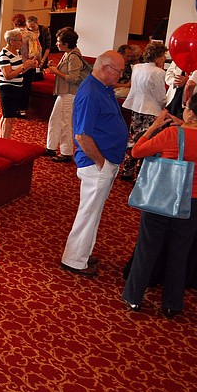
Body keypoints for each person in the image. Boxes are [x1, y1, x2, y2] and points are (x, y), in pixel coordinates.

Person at [122, 94, 197, 318]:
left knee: (148, 248)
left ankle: (134, 297)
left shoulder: (171, 134)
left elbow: (137, 151)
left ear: (191, 114)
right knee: (179, 252)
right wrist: (184, 124)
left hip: (163, 196)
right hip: (194, 200)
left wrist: (154, 126)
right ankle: (172, 304)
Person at [60, 50, 128, 277]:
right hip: (95, 164)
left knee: (93, 213)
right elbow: (81, 135)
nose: (121, 75)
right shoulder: (90, 92)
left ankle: (83, 253)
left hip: (103, 162)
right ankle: (74, 260)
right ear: (105, 68)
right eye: (119, 71)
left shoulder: (103, 87)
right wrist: (102, 163)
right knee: (88, 213)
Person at [120, 42, 168, 180]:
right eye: (163, 56)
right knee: (147, 142)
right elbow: (160, 96)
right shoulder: (159, 72)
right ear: (157, 57)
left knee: (133, 139)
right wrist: (166, 104)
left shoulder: (137, 67)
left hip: (136, 107)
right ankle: (140, 175)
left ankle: (127, 170)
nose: (164, 59)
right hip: (152, 111)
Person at [44, 27, 82, 161]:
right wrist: (55, 68)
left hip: (70, 94)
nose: (57, 43)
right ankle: (51, 147)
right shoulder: (68, 53)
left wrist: (55, 71)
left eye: (59, 41)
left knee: (66, 122)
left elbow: (74, 78)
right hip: (64, 92)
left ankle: (66, 153)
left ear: (66, 44)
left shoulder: (74, 57)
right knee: (55, 119)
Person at [0, 28, 37, 139]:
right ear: (12, 41)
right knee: (9, 118)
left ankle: (1, 139)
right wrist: (24, 66)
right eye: (20, 40)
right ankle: (4, 143)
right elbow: (8, 75)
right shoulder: (4, 55)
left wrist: (29, 66)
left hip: (16, 87)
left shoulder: (16, 52)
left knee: (7, 116)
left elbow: (19, 71)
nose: (22, 42)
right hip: (7, 88)